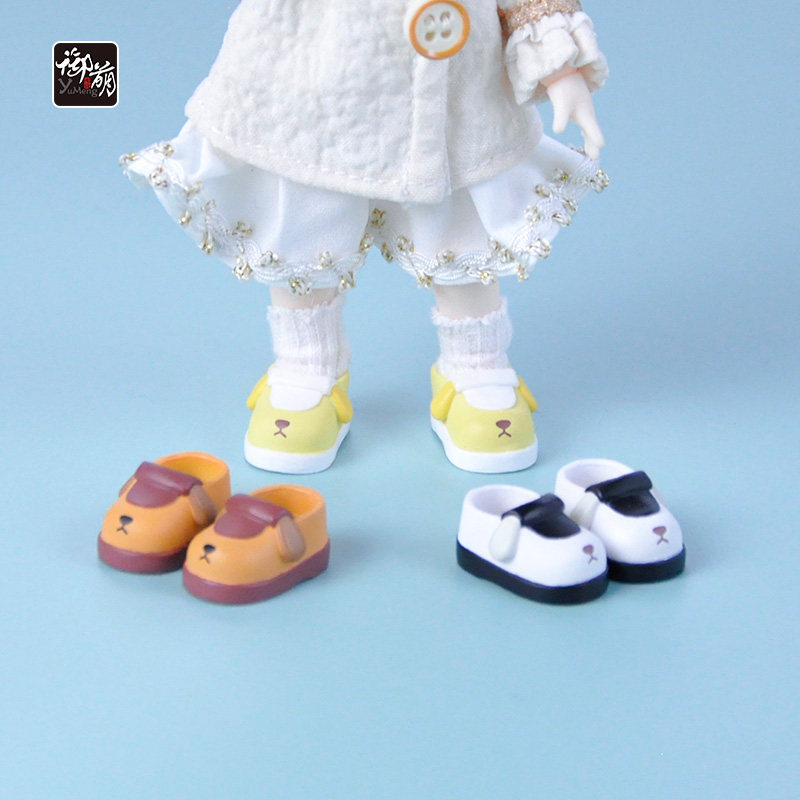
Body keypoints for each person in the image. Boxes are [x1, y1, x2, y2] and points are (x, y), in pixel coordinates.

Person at [121, 0, 609, 474]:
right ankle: (308, 366)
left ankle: (475, 365)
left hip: (455, 83)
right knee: (306, 214)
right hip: (313, 68)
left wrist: (558, 63)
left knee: (459, 222)